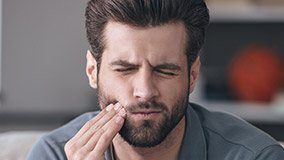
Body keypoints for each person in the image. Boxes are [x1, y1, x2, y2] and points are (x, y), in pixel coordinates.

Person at [27, 0, 284, 159]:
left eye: (165, 70)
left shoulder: (255, 156)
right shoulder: (53, 154)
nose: (145, 91)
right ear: (92, 71)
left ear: (192, 75)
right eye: (125, 69)